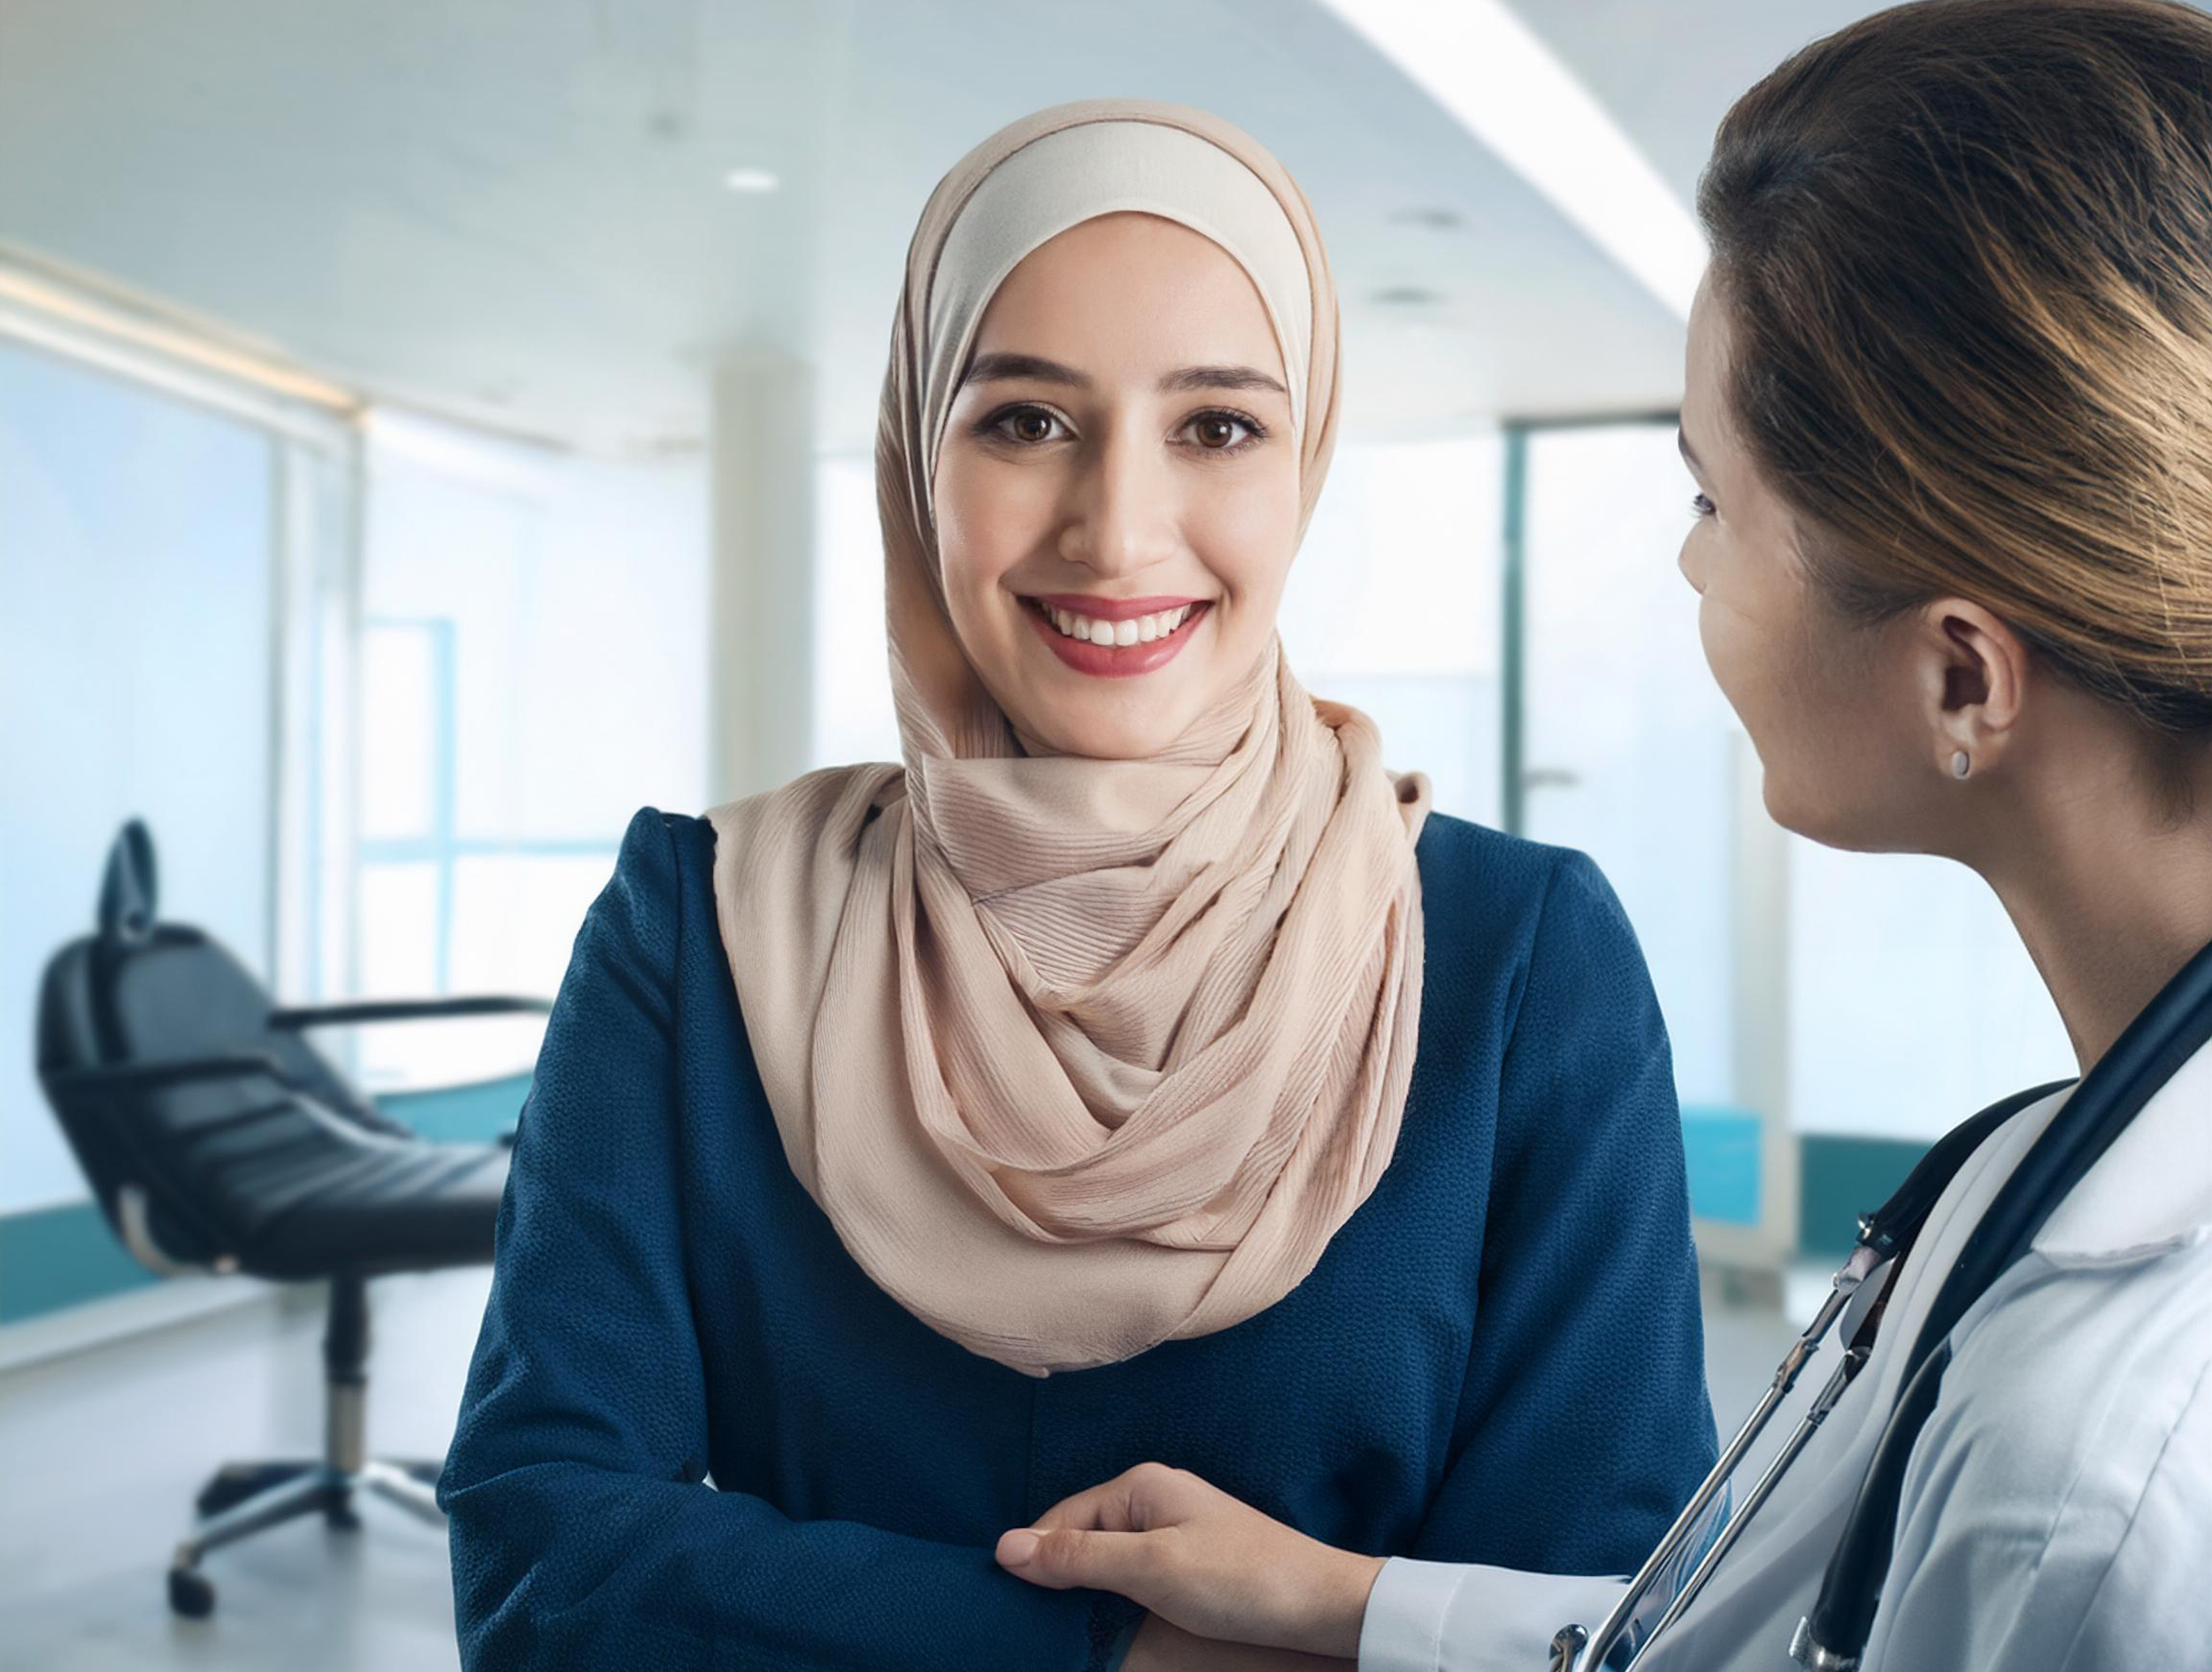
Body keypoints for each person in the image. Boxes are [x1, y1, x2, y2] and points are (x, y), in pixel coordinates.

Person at [992, 5, 2212, 1669]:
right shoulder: (2041, 1181)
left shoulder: (2115, 1486)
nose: (1692, 567)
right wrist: (1355, 1605)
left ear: (1959, 671)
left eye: (1714, 499)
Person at [438, 100, 1717, 1672]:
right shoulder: (697, 927)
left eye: (1216, 427)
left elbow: (1593, 1622)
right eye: (1024, 419)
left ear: (1302, 462)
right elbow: (539, 1552)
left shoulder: (1520, 956)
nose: (1114, 529)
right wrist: (1127, 1658)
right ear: (920, 454)